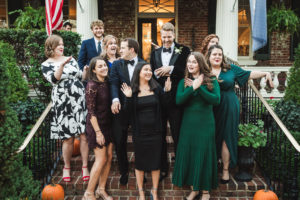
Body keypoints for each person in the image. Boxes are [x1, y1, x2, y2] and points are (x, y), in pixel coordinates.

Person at [206, 44, 274, 184]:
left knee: (226, 137)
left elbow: (248, 74)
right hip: (210, 107)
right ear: (209, 56)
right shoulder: (204, 70)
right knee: (211, 137)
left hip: (229, 106)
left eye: (220, 54)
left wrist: (265, 73)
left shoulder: (231, 69)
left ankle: (225, 170)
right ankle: (211, 168)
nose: (217, 57)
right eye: (214, 54)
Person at [41, 34, 89, 183]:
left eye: (62, 44)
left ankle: (85, 166)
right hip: (62, 102)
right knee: (67, 138)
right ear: (51, 47)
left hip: (79, 99)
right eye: (58, 45)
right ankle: (66, 167)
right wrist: (61, 66)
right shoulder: (46, 64)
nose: (61, 47)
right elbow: (54, 79)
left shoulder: (72, 59)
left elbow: (80, 77)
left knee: (83, 135)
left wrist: (85, 71)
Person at [172, 52, 220, 200]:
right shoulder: (183, 82)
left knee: (204, 155)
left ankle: (205, 191)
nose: (190, 65)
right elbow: (179, 101)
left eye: (194, 62)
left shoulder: (211, 79)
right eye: (189, 62)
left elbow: (216, 100)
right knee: (191, 155)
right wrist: (192, 88)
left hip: (205, 124)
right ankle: (194, 189)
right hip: (188, 125)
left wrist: (199, 87)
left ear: (200, 64)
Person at [121, 62, 171, 200]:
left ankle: (154, 191)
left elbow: (166, 109)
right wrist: (129, 98)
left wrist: (167, 93)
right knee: (140, 163)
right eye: (146, 70)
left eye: (150, 70)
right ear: (138, 72)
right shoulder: (132, 90)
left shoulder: (157, 88)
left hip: (156, 132)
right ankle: (141, 192)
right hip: (140, 133)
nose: (149, 72)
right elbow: (127, 114)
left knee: (156, 162)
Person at [150, 22, 190, 181]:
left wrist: (171, 69)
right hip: (160, 99)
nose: (166, 40)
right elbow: (151, 73)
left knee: (177, 134)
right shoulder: (155, 52)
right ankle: (162, 168)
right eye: (163, 37)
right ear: (161, 36)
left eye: (169, 37)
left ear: (174, 35)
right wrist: (157, 74)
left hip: (176, 99)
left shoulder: (184, 50)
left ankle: (181, 168)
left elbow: (187, 69)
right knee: (160, 135)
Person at [109, 38, 145, 185]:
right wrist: (115, 99)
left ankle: (142, 169)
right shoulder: (117, 64)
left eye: (123, 48)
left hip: (139, 109)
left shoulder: (143, 64)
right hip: (121, 108)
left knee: (140, 141)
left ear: (132, 50)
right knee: (119, 141)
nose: (120, 50)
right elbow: (113, 82)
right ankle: (124, 171)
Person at [83, 57, 113, 200]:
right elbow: (91, 112)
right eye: (100, 66)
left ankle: (101, 189)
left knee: (108, 157)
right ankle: (89, 193)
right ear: (93, 70)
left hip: (109, 124)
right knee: (100, 159)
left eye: (105, 65)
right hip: (96, 126)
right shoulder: (92, 85)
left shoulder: (107, 82)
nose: (104, 68)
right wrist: (98, 133)